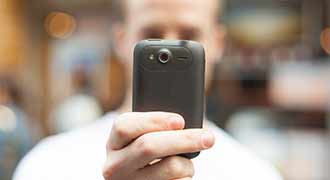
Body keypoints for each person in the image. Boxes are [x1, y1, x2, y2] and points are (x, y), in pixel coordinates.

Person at [13, 0, 283, 179]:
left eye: (189, 35)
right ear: (120, 41)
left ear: (218, 43)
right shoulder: (47, 164)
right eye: (151, 33)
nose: (170, 44)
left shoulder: (256, 173)